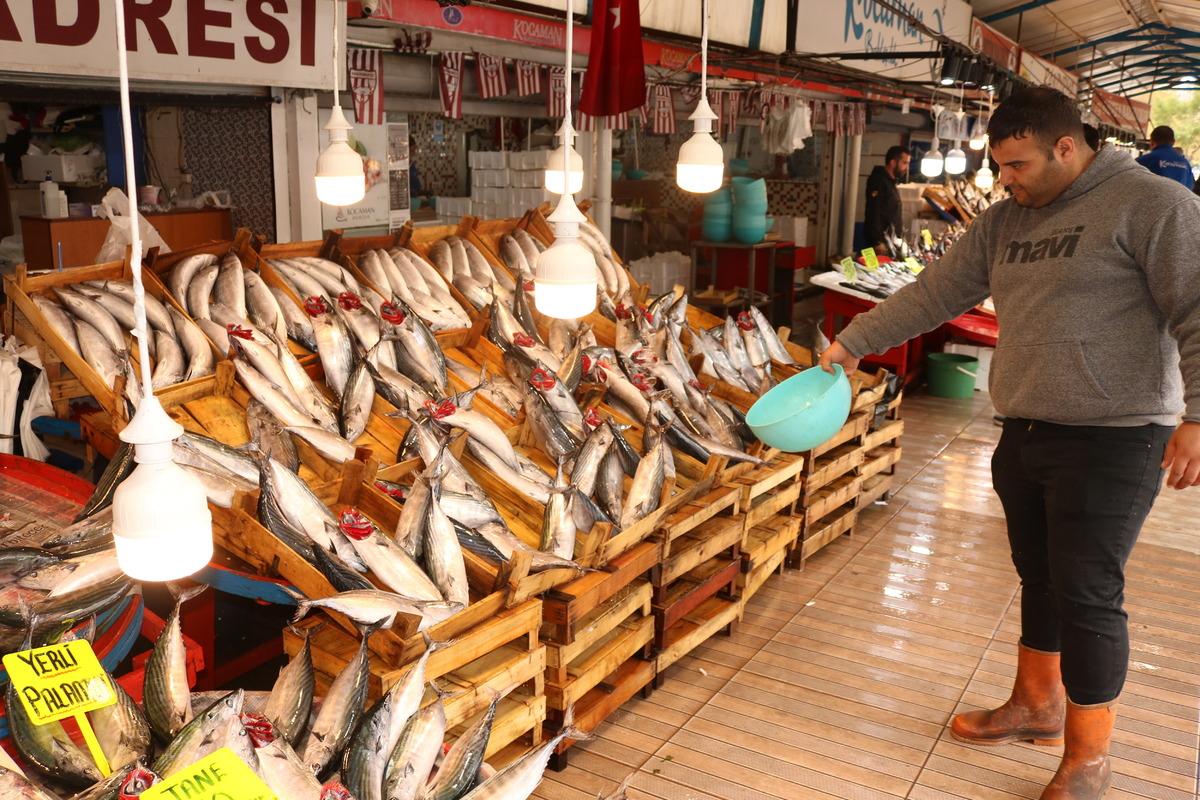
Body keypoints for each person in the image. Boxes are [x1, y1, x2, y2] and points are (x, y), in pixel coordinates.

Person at [820, 87, 1200, 799]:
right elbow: (935, 292)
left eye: (1018, 164)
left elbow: (1198, 308)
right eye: (1000, 165)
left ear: (1067, 147)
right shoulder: (1003, 223)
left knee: (1088, 592)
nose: (1006, 179)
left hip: (1118, 435)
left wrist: (1199, 419)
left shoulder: (1153, 204)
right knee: (1040, 575)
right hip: (1025, 426)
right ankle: (1036, 704)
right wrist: (849, 344)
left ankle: (1089, 758)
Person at [863, 145, 910, 253]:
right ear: (893, 162)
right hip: (880, 244)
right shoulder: (878, 181)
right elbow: (873, 211)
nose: (906, 167)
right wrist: (877, 241)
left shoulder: (891, 182)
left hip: (891, 242)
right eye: (904, 163)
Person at [1136, 125, 1194, 190]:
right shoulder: (1185, 163)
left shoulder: (1143, 161)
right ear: (1173, 142)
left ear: (1151, 142)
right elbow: (1190, 188)